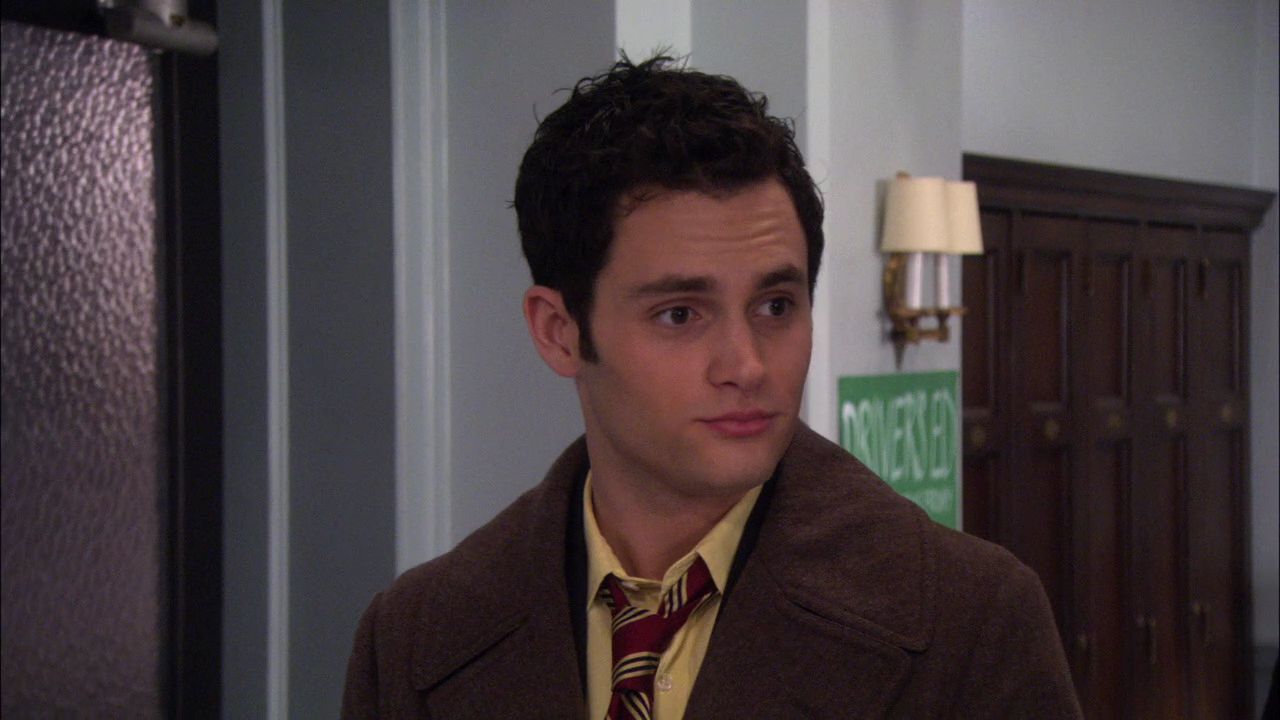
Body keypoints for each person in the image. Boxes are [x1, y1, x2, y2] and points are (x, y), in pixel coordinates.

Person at [342, 55, 1082, 719]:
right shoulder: (413, 637)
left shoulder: (973, 620)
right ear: (559, 331)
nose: (747, 364)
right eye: (680, 314)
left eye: (776, 306)